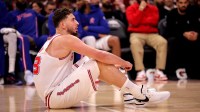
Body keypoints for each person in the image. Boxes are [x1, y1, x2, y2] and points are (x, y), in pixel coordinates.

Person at [33, 8, 170, 109]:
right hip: (54, 97)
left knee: (91, 60)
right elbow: (100, 55)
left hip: (54, 92)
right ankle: (139, 93)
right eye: (73, 20)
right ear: (63, 25)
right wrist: (123, 62)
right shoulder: (65, 39)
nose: (77, 23)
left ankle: (129, 94)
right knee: (97, 61)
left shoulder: (54, 40)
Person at [126, 0, 168, 81]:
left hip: (152, 34)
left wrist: (140, 20)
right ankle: (140, 71)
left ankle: (159, 71)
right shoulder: (130, 8)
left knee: (163, 42)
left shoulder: (153, 8)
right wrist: (141, 9)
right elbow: (134, 22)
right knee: (135, 43)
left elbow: (154, 21)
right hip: (136, 34)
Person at [166, 0, 200, 79]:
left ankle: (195, 72)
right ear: (177, 3)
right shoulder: (172, 14)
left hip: (192, 38)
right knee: (173, 42)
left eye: (185, 3)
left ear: (188, 3)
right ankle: (172, 72)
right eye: (181, 3)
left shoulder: (193, 13)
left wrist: (197, 34)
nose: (183, 5)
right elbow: (169, 31)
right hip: (177, 38)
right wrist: (183, 34)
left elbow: (197, 26)